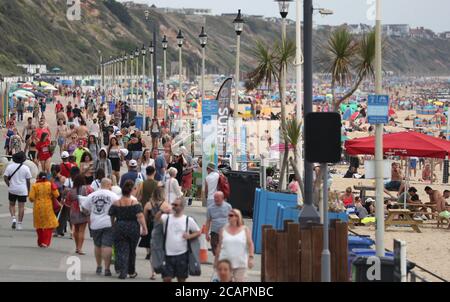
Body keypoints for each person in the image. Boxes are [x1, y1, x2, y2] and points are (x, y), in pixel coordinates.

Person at [109, 180, 148, 279]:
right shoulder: (135, 203)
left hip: (120, 226)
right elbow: (140, 216)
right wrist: (144, 228)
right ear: (131, 191)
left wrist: (113, 225)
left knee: (120, 249)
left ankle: (122, 269)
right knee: (131, 250)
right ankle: (131, 271)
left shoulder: (116, 203)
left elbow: (112, 216)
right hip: (133, 227)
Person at [81, 178, 119, 277]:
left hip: (95, 224)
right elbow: (119, 207)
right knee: (107, 246)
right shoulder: (113, 195)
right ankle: (107, 269)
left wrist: (89, 214)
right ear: (109, 184)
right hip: (108, 223)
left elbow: (84, 208)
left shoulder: (92, 195)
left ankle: (99, 266)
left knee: (97, 245)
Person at [160, 197, 201, 282]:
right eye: (173, 204)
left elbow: (198, 232)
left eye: (176, 205)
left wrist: (189, 236)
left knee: (181, 279)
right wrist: (162, 211)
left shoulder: (188, 220)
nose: (173, 206)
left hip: (182, 255)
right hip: (168, 254)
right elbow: (156, 220)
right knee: (166, 279)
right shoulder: (166, 218)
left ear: (182, 207)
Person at [214, 209, 255, 282]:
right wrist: (216, 260)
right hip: (225, 264)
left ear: (237, 217)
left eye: (231, 215)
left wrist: (251, 258)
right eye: (228, 215)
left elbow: (250, 244)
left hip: (240, 263)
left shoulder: (245, 230)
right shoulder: (223, 230)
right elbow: (219, 246)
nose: (229, 217)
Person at [140, 187, 171, 275]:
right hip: (162, 228)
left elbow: (145, 217)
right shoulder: (166, 205)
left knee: (152, 251)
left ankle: (153, 272)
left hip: (151, 227)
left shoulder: (148, 204)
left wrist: (144, 227)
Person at [28, 172, 60, 247]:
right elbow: (57, 194)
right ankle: (45, 242)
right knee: (49, 224)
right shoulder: (50, 184)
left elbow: (31, 198)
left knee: (39, 225)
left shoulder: (35, 185)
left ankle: (40, 241)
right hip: (48, 207)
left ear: (38, 177)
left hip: (37, 207)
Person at [4, 152, 32, 230]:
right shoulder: (26, 168)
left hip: (12, 188)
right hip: (22, 189)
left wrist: (9, 185)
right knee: (21, 207)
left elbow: (5, 177)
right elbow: (28, 180)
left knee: (12, 204)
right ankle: (19, 224)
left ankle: (13, 218)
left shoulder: (9, 167)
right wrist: (28, 190)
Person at [66, 174, 93, 255]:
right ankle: (80, 248)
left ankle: (77, 247)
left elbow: (67, 202)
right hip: (83, 211)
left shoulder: (71, 191)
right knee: (82, 231)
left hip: (73, 211)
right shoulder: (86, 189)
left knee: (76, 230)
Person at [206, 192, 232, 256]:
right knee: (214, 246)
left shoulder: (228, 206)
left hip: (225, 231)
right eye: (215, 198)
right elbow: (208, 221)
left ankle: (221, 260)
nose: (216, 199)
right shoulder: (210, 208)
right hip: (214, 231)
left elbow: (232, 219)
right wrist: (206, 233)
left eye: (218, 198)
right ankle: (218, 257)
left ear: (222, 198)